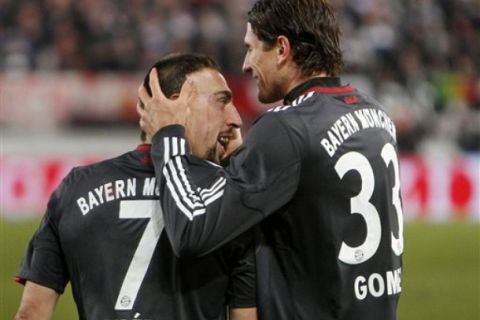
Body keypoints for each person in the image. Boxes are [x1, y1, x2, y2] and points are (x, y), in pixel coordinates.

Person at [137, 0, 404, 319]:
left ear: (281, 49)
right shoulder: (375, 114)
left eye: (251, 49)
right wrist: (241, 160)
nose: (247, 64)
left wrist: (168, 137)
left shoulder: (287, 127)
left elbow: (193, 231)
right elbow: (307, 205)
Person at [15, 53, 257, 320]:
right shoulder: (229, 195)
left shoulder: (74, 188)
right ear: (174, 107)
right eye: (221, 102)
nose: (235, 119)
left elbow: (31, 313)